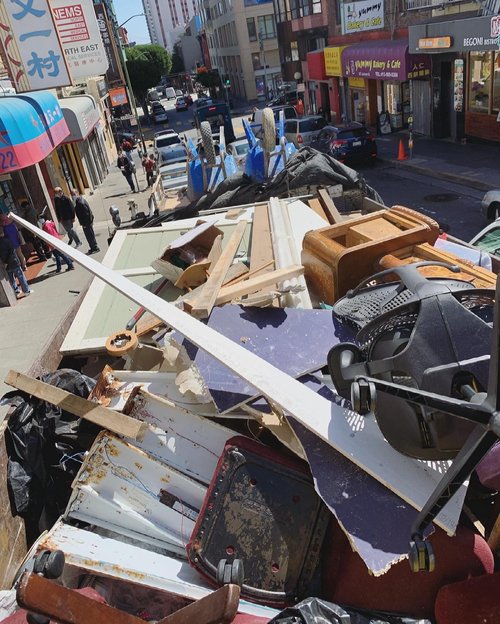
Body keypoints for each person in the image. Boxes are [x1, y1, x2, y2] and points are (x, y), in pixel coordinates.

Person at [0, 226, 33, 297]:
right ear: (2, 233)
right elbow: (11, 252)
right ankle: (26, 290)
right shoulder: (7, 240)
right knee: (20, 276)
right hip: (13, 262)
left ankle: (16, 291)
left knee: (11, 279)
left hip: (6, 265)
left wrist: (5, 262)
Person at [71, 189, 100, 255]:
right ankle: (92, 247)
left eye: (74, 194)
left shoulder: (80, 203)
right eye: (72, 195)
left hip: (86, 223)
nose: (73, 196)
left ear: (77, 193)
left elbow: (87, 213)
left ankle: (95, 248)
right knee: (89, 235)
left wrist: (86, 223)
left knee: (90, 235)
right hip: (86, 222)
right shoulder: (79, 201)